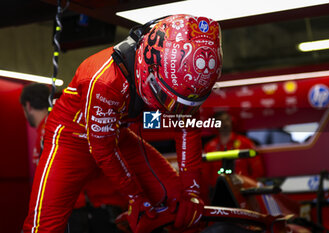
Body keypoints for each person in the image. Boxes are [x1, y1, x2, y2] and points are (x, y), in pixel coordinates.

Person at [23, 14, 223, 233]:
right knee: (44, 227)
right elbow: (103, 149)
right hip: (71, 138)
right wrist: (136, 196)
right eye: (168, 100)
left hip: (117, 134)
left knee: (175, 200)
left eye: (182, 105)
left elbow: (186, 126)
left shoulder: (184, 78)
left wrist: (191, 193)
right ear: (147, 68)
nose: (171, 110)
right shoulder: (104, 79)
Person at [20, 83, 128, 232]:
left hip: (79, 209)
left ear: (28, 105)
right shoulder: (59, 125)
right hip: (95, 207)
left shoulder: (52, 131)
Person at [201, 111, 265, 204]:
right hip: (218, 193)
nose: (225, 123)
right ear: (215, 124)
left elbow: (257, 170)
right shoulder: (210, 147)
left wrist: (251, 188)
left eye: (227, 120)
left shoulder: (245, 142)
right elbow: (205, 175)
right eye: (221, 121)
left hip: (244, 191)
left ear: (231, 121)